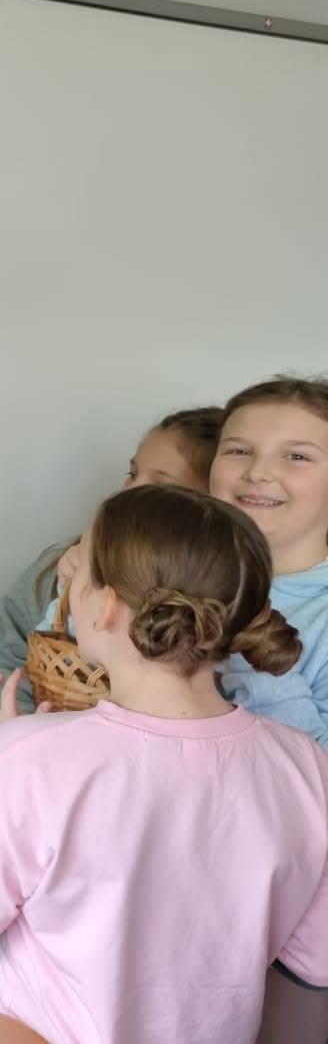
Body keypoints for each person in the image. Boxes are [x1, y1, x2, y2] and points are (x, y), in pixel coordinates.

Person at [0, 484, 328, 1044]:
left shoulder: (24, 758)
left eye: (79, 570)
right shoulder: (305, 765)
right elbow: (314, 960)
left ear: (106, 605)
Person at [0, 406, 224, 777]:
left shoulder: (218, 596)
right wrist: (22, 725)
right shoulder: (67, 562)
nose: (131, 489)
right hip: (23, 747)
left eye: (160, 485)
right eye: (133, 473)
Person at [209, 376, 328, 1042]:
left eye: (297, 456)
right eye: (238, 450)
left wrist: (258, 659)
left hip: (291, 927)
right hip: (161, 896)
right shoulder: (155, 577)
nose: (258, 472)